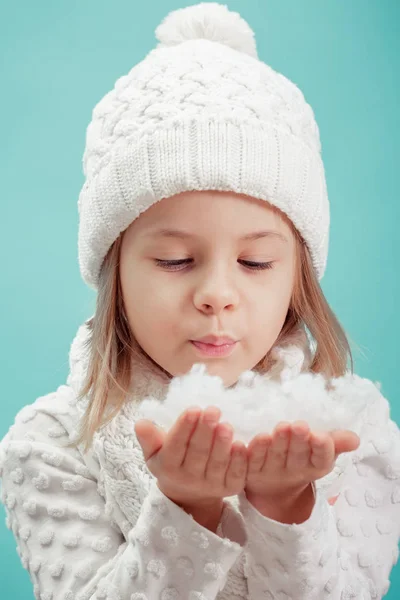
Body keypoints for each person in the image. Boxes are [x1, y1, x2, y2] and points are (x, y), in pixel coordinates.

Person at [1, 3, 399, 599]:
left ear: (297, 276)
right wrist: (185, 509)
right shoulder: (50, 441)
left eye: (256, 262)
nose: (216, 294)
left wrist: (287, 507)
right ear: (115, 270)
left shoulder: (348, 429)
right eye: (175, 261)